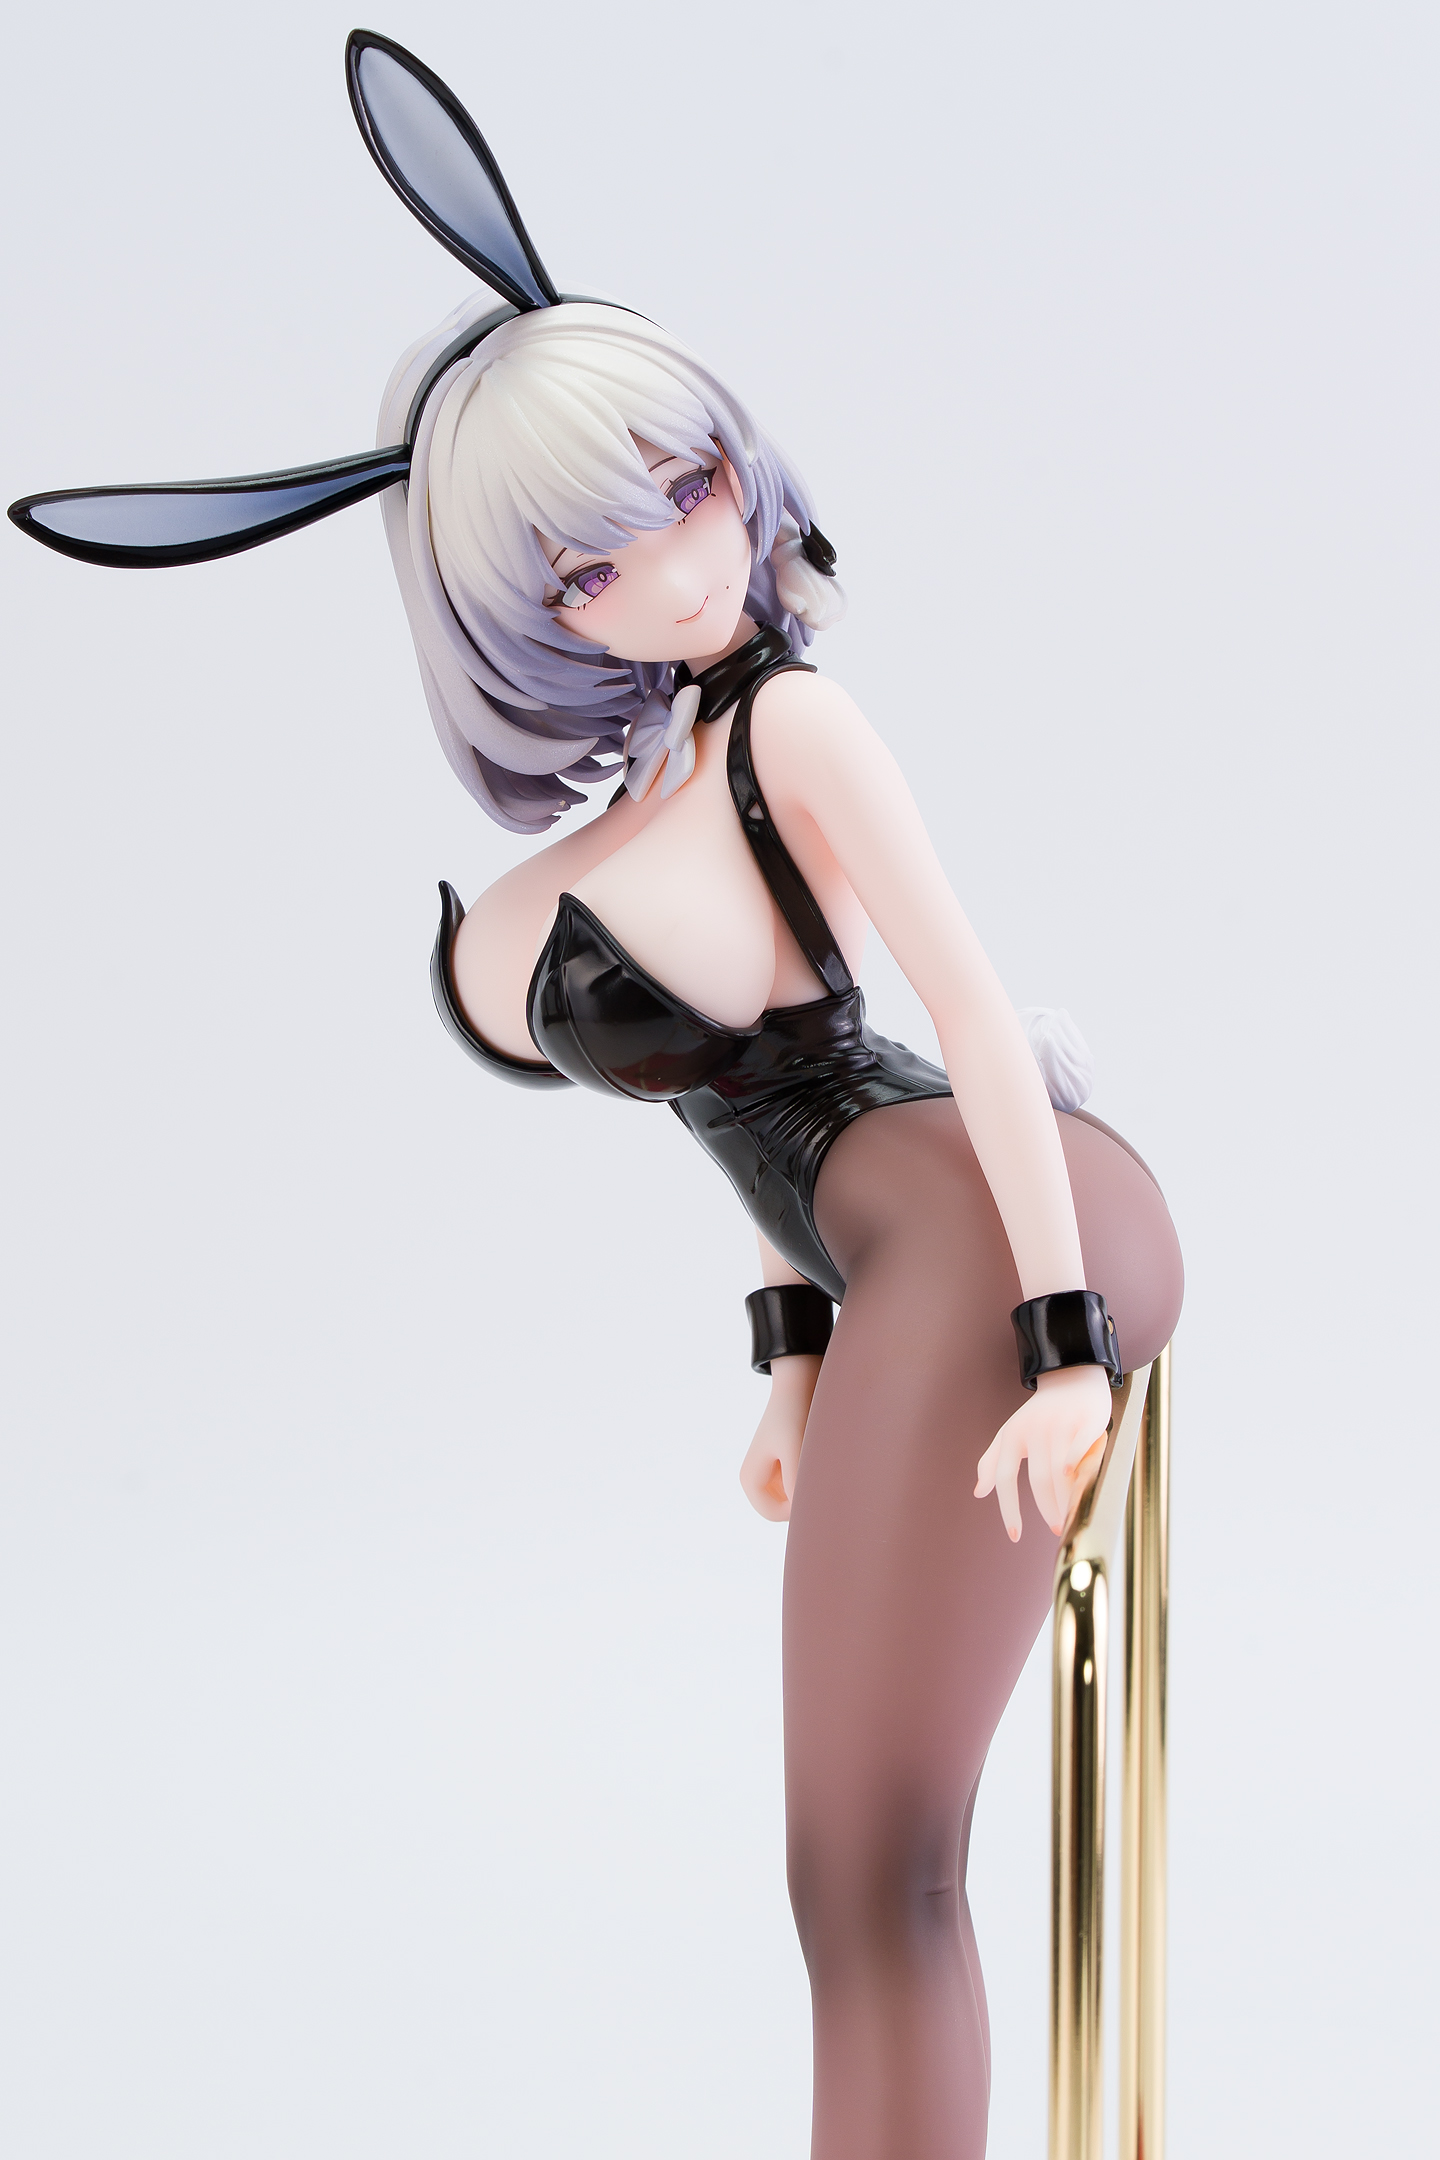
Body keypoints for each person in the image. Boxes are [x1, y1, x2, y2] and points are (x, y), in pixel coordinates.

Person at [9, 33, 1183, 2160]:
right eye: (590, 562)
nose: (680, 559)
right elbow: (755, 1106)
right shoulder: (683, 768)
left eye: (692, 483)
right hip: (910, 1253)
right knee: (858, 1877)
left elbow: (960, 1010)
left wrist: (1064, 1340)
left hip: (996, 1226)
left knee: (873, 1871)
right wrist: (796, 1362)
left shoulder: (795, 729)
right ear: (527, 619)